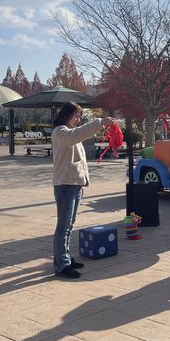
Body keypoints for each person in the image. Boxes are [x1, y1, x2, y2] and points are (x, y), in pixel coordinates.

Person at [51, 103, 113, 279]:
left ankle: (66, 258)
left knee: (69, 226)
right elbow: (76, 135)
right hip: (64, 186)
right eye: (75, 116)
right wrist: (100, 122)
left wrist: (81, 183)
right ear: (66, 115)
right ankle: (61, 265)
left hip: (73, 185)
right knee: (63, 227)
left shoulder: (69, 133)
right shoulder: (60, 132)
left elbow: (78, 162)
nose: (78, 120)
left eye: (79, 116)